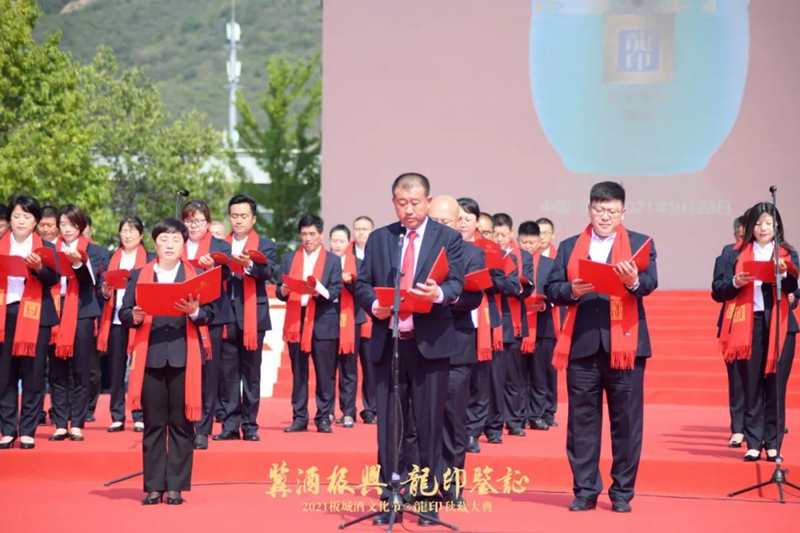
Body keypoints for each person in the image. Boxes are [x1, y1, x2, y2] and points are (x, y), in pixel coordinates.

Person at [354, 173, 465, 526]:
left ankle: (428, 498)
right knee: (390, 427)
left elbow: (457, 282)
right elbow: (362, 283)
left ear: (428, 201)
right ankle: (392, 496)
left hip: (429, 346)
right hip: (390, 344)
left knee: (429, 424)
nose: (409, 210)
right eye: (402, 203)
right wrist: (375, 305)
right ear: (393, 203)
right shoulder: (381, 238)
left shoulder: (448, 238)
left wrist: (439, 293)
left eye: (415, 203)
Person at [544, 181, 658, 513]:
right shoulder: (569, 246)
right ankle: (585, 490)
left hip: (626, 346)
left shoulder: (639, 244)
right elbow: (551, 288)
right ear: (589, 209)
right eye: (599, 209)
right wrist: (572, 290)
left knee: (627, 423)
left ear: (623, 212)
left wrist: (631, 281)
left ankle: (622, 492)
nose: (605, 216)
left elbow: (649, 283)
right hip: (582, 347)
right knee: (582, 422)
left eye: (611, 211)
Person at [119, 218, 217, 505]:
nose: (170, 245)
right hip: (149, 358)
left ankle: (175, 486)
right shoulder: (139, 275)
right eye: (164, 239)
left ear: (184, 244)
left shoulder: (194, 276)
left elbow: (210, 314)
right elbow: (124, 312)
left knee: (180, 423)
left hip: (184, 357)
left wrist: (195, 312)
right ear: (155, 243)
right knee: (153, 423)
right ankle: (153, 486)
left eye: (176, 239)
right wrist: (134, 316)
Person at [713, 202, 798, 462]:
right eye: (758, 223)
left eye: (769, 223)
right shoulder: (733, 253)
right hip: (747, 325)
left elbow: (794, 289)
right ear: (749, 226)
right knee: (750, 386)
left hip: (779, 327)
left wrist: (785, 276)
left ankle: (772, 442)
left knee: (776, 386)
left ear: (777, 226)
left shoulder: (787, 253)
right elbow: (718, 290)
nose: (763, 228)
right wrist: (736, 282)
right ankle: (753, 441)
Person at [428, 195, 485, 506]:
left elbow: (473, 298)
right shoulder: (418, 251)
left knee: (453, 420)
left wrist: (442, 296)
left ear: (458, 222)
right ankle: (421, 484)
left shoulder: (472, 253)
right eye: (435, 221)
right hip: (421, 345)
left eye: (446, 221)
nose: (441, 226)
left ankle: (451, 487)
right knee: (421, 420)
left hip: (457, 347)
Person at [0, 195, 60, 449]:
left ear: (35, 221)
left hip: (35, 317)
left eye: (26, 217)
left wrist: (38, 269)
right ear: (9, 220)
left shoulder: (45, 247)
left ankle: (27, 429)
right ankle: (7, 429)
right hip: (4, 314)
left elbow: (54, 278)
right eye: (16, 216)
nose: (21, 221)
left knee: (33, 374)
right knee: (4, 374)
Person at [215, 194, 277, 441]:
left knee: (251, 375)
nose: (238, 220)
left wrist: (249, 264)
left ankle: (250, 426)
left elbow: (269, 271)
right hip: (226, 314)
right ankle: (230, 425)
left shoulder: (265, 244)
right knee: (228, 374)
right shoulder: (220, 244)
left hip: (253, 316)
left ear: (253, 219)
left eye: (243, 216)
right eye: (234, 216)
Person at [49, 204, 108, 442]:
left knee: (82, 369)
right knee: (57, 370)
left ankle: (77, 423)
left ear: (81, 226)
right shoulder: (50, 249)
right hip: (55, 310)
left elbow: (90, 281)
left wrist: (76, 264)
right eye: (63, 224)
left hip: (82, 310)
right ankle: (60, 423)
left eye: (72, 224)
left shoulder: (93, 250)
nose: (67, 229)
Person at [277, 215, 342, 433]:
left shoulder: (332, 261)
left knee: (325, 372)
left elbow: (335, 291)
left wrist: (318, 289)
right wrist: (283, 290)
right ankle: (299, 417)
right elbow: (279, 289)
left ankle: (323, 417)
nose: (308, 238)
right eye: (304, 234)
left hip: (322, 318)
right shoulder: (289, 259)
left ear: (321, 234)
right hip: (297, 318)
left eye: (312, 234)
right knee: (299, 372)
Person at [180, 200, 235, 450]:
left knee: (208, 374)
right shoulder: (177, 243)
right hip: (180, 313)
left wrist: (213, 267)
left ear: (208, 223)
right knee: (182, 372)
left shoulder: (220, 246)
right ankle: (183, 425)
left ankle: (203, 428)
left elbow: (228, 274)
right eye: (189, 221)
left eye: (199, 221)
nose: (194, 226)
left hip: (211, 316)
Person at [97, 217, 152, 433]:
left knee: (139, 368)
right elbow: (100, 290)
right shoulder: (112, 259)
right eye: (124, 231)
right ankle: (117, 415)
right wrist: (105, 292)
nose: (128, 235)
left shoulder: (149, 260)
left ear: (141, 235)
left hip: (140, 319)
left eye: (132, 231)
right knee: (116, 369)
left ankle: (139, 414)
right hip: (116, 320)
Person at [493, 213, 534, 438]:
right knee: (493, 378)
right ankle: (493, 423)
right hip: (493, 321)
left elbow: (528, 287)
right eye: (495, 234)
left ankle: (514, 420)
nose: (499, 238)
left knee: (513, 377)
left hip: (514, 322)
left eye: (503, 234)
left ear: (511, 233)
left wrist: (515, 286)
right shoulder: (488, 254)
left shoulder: (523, 256)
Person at [517, 221, 559, 430]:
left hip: (543, 326)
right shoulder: (513, 262)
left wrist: (545, 304)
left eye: (531, 243)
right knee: (520, 374)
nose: (528, 247)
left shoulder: (550, 264)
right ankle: (520, 414)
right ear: (518, 240)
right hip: (519, 325)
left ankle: (538, 413)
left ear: (539, 242)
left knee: (540, 373)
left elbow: (556, 291)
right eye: (524, 243)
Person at [711, 214, 747, 448]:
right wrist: (735, 282)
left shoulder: (774, 253)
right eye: (742, 235)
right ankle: (739, 428)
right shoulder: (728, 254)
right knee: (737, 380)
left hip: (762, 323)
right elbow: (718, 288)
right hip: (734, 323)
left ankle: (765, 426)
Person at [329, 224, 366, 428]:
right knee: (328, 367)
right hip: (327, 317)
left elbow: (363, 291)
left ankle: (348, 411)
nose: (337, 244)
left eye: (341, 241)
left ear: (348, 242)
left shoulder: (358, 264)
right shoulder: (324, 261)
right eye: (334, 240)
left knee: (349, 367)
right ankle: (326, 411)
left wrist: (350, 282)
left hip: (351, 318)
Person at [352, 216, 377, 424]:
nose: (361, 232)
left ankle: (370, 408)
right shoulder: (344, 256)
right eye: (358, 229)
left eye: (365, 229)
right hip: (349, 317)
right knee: (348, 368)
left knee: (370, 366)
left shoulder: (377, 254)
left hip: (371, 316)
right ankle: (348, 409)